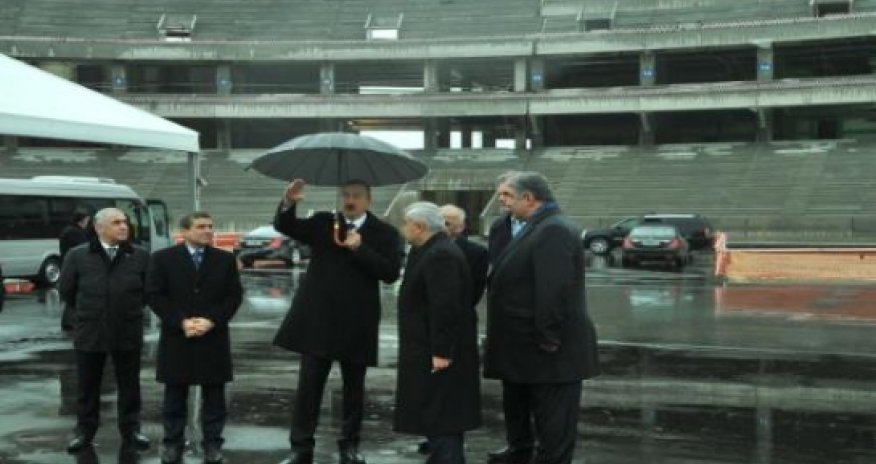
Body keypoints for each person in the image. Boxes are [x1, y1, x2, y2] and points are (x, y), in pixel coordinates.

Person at [273, 179, 402, 464]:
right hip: (318, 319)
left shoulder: (385, 233)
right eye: (345, 195)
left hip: (358, 321)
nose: (350, 200)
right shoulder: (323, 223)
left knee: (353, 389)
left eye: (356, 196)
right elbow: (286, 227)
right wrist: (289, 203)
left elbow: (390, 272)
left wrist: (360, 249)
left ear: (368, 200)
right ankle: (300, 447)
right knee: (309, 387)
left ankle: (349, 445)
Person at [484, 172, 600, 464]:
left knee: (554, 427)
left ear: (528, 198)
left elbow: (554, 291)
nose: (501, 200)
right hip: (524, 347)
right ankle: (520, 451)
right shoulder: (532, 227)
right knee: (524, 408)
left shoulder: (553, 230)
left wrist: (547, 337)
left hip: (550, 351)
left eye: (507, 195)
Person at [147, 211, 243, 464]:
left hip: (213, 335)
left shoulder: (224, 260)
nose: (208, 230)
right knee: (175, 394)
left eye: (210, 226)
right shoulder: (163, 259)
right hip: (178, 336)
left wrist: (211, 320)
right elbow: (155, 295)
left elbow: (233, 297)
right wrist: (181, 322)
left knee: (214, 396)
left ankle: (212, 444)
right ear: (185, 232)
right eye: (201, 226)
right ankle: (172, 443)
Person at [58, 207, 151, 454]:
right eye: (116, 222)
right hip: (90, 330)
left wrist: (125, 309)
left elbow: (146, 292)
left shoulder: (139, 255)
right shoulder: (78, 255)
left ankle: (131, 429)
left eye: (125, 222)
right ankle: (84, 431)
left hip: (127, 329)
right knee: (87, 385)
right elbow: (67, 291)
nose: (124, 226)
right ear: (99, 228)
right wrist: (92, 312)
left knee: (130, 385)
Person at [395, 202, 481, 464]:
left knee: (442, 414)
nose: (403, 229)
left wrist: (441, 351)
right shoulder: (429, 250)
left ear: (418, 226)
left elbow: (445, 307)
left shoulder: (440, 254)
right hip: (429, 348)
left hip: (437, 353)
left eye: (405, 223)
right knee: (438, 414)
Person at [439, 204, 489, 308]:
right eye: (438, 223)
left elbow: (475, 291)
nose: (441, 228)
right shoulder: (422, 247)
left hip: (460, 314)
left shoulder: (477, 253)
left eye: (447, 224)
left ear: (460, 227)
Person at [59, 210, 91, 331]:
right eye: (87, 220)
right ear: (82, 220)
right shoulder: (76, 232)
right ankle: (70, 322)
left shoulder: (68, 230)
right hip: (75, 267)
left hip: (68, 265)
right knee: (75, 295)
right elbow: (83, 249)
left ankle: (69, 321)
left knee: (72, 294)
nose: (88, 223)